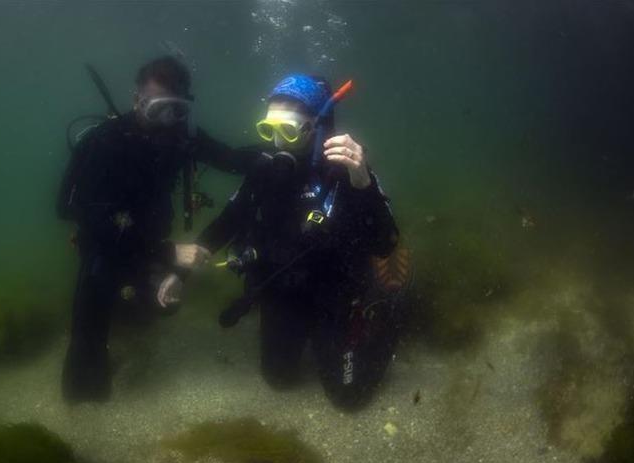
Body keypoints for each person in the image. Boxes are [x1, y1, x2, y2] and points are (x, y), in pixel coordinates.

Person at [194, 74, 411, 410]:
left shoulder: (346, 170)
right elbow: (233, 217)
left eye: (289, 130)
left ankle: (390, 307)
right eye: (269, 130)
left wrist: (363, 182)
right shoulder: (264, 168)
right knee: (278, 377)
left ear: (316, 126)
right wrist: (201, 248)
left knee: (349, 397)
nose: (277, 142)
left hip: (335, 295)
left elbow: (385, 244)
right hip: (283, 291)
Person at [57, 56, 257, 403]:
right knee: (84, 380)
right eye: (157, 109)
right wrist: (169, 252)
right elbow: (68, 209)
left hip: (146, 246)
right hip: (105, 248)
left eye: (176, 110)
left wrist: (284, 153)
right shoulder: (105, 142)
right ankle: (109, 313)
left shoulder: (183, 138)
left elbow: (233, 160)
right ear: (137, 101)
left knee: (163, 305)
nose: (167, 120)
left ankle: (128, 309)